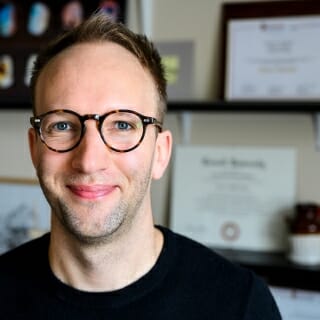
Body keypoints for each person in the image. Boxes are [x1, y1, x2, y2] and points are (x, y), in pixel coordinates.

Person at [0, 13, 282, 319]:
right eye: (63, 126)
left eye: (122, 124)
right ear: (34, 148)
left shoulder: (240, 304)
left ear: (160, 153)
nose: (89, 160)